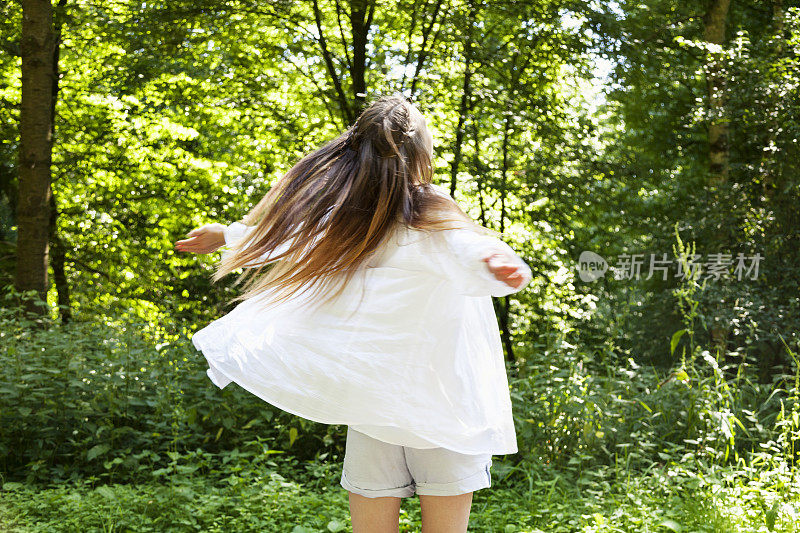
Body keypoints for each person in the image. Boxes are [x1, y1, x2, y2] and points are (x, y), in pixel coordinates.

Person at [174, 94, 532, 533]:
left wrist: (494, 259)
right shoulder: (358, 220)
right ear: (422, 156)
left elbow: (466, 245)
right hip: (416, 407)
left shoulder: (418, 214)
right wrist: (229, 234)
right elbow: (298, 237)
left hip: (412, 408)